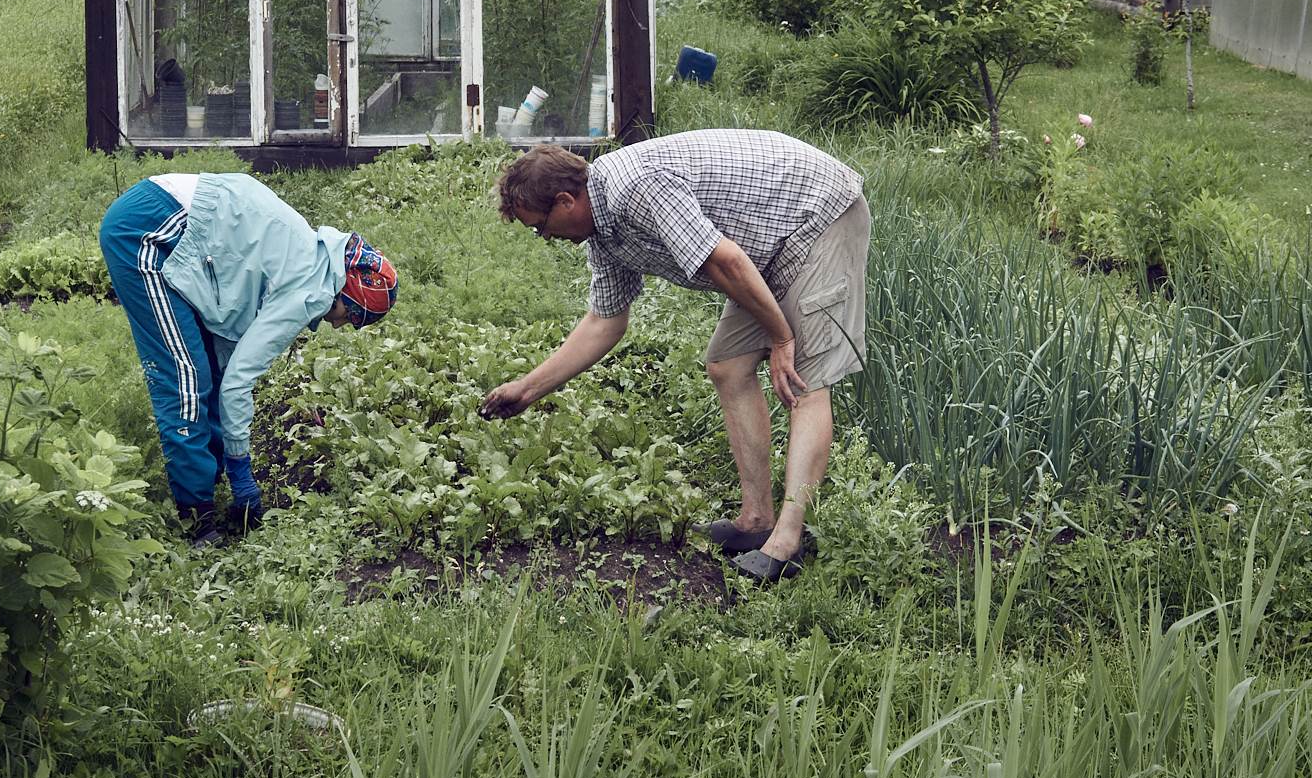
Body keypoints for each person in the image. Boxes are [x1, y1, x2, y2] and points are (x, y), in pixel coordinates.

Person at [480, 130, 869, 583]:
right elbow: (605, 322)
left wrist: (782, 340)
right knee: (729, 364)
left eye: (540, 227)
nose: (545, 237)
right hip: (765, 246)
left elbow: (724, 262)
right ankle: (756, 521)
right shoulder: (603, 230)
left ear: (566, 201)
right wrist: (527, 390)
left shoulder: (636, 188)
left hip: (818, 215)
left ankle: (787, 541)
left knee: (804, 379)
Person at [99, 171, 398, 547]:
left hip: (168, 216)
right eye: (351, 318)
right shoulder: (310, 289)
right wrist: (241, 470)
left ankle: (207, 483)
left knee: (208, 368)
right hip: (146, 231)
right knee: (187, 379)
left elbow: (228, 358)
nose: (340, 327)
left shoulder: (309, 253)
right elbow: (239, 383)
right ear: (347, 295)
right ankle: (198, 521)